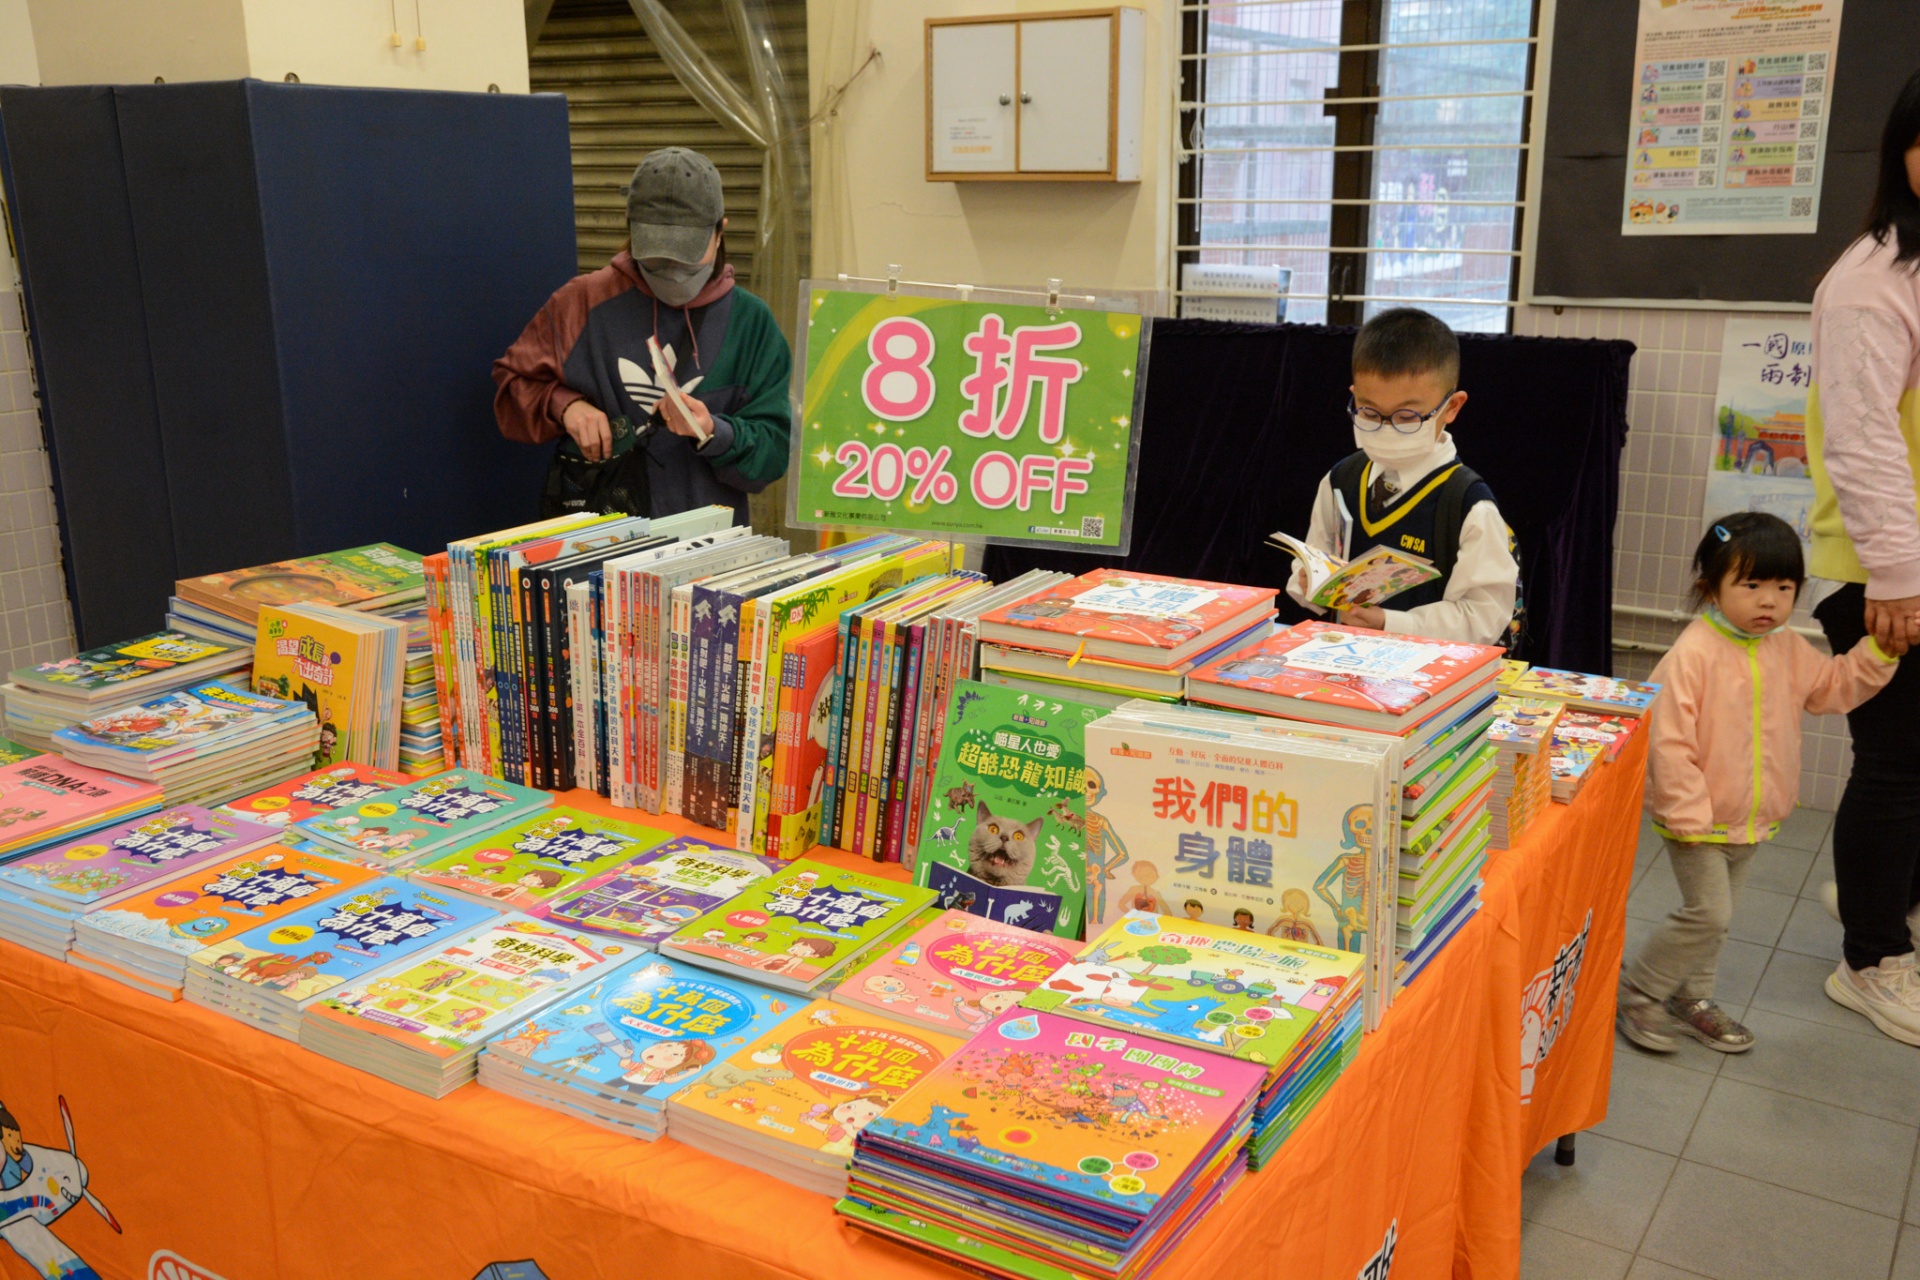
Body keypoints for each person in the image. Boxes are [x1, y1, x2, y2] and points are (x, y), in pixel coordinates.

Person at [1617, 514, 1897, 1053]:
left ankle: (1692, 998)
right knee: (1709, 912)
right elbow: (1667, 742)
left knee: (1718, 921)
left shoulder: (1785, 647)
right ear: (1711, 589)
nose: (1769, 601)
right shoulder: (1692, 655)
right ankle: (1640, 991)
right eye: (1751, 585)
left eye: (1784, 587)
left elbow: (1831, 688)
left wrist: (1878, 653)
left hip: (1750, 818)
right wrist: (1687, 814)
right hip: (1696, 818)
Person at [493, 147, 792, 525]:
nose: (673, 271)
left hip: (708, 545)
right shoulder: (581, 303)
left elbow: (773, 454)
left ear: (720, 232)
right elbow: (513, 391)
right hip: (599, 540)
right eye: (656, 255)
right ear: (630, 228)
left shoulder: (750, 323)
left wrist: (715, 432)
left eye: (687, 254)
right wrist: (564, 405)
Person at [1806, 69, 1920, 1045]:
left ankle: (1887, 899)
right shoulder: (1871, 280)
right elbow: (1862, 436)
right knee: (1898, 763)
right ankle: (1872, 959)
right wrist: (1898, 575)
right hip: (1883, 569)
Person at [1286, 307, 1520, 646]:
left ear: (1451, 407)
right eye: (1369, 412)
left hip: (1433, 670)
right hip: (1346, 658)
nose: (1386, 428)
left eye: (1407, 417)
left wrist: (1390, 623)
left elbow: (1484, 617)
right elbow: (1313, 557)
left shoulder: (1468, 504)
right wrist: (1309, 583)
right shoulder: (1341, 480)